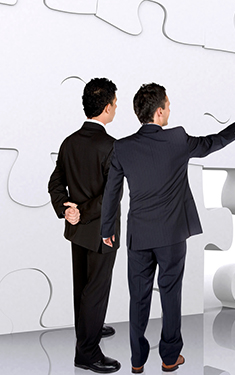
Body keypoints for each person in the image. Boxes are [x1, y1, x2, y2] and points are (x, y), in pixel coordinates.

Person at [100, 82, 235, 373]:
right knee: (171, 294)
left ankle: (137, 361)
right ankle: (170, 357)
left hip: (139, 236)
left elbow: (112, 192)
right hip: (171, 235)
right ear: (159, 111)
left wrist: (107, 229)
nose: (170, 109)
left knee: (138, 297)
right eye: (168, 105)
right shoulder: (177, 139)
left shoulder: (122, 147)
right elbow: (212, 144)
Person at [48, 78, 121, 373]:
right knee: (97, 289)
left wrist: (67, 209)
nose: (115, 108)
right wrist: (81, 211)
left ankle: (88, 328)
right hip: (102, 231)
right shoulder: (111, 146)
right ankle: (87, 354)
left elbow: (55, 182)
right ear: (106, 108)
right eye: (115, 104)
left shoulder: (69, 142)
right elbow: (111, 196)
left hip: (77, 230)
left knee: (83, 286)